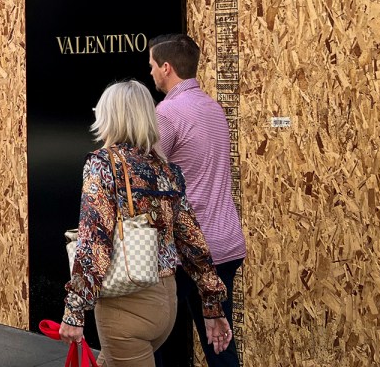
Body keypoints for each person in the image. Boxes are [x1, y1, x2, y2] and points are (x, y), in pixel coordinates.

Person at [59, 80, 232, 367]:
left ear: (110, 116)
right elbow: (192, 241)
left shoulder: (102, 164)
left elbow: (94, 241)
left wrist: (74, 311)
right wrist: (212, 306)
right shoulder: (167, 170)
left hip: (126, 304)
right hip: (166, 303)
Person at [149, 34, 245, 367]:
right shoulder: (213, 108)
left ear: (166, 67)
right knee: (219, 341)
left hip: (188, 251)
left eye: (152, 66)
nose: (151, 72)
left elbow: (146, 178)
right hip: (226, 245)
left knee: (152, 337)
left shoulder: (167, 113)